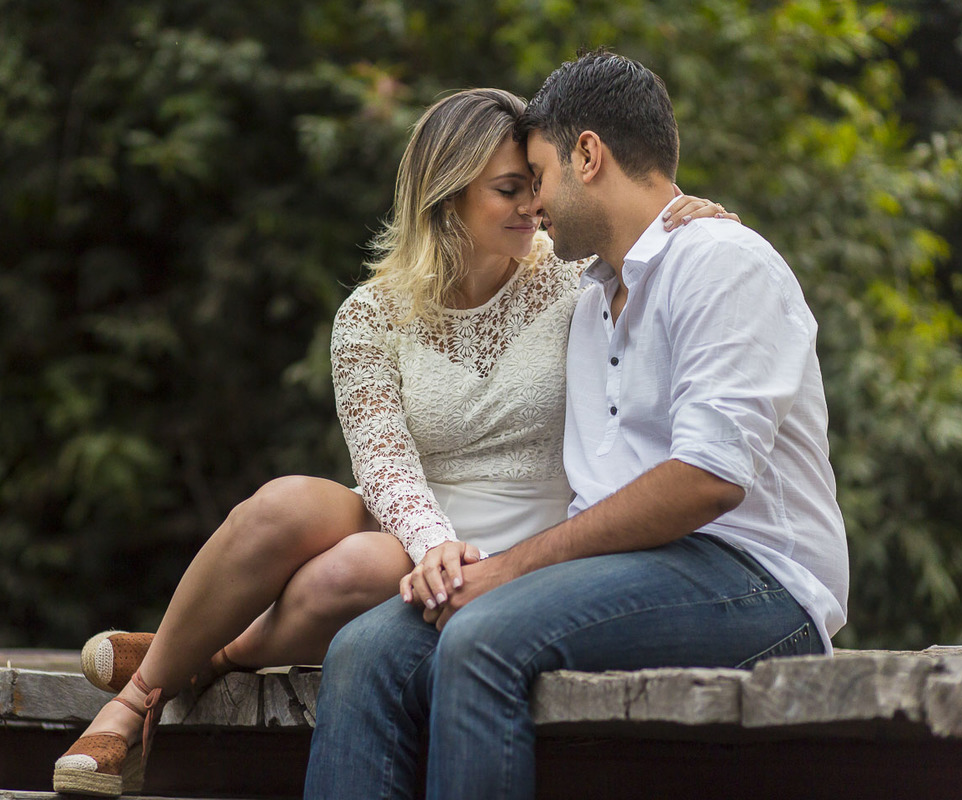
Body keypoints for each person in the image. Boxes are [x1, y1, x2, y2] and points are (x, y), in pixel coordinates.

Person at [51, 87, 731, 797]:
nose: (536, 205)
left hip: (524, 535)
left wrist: (687, 220)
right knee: (283, 505)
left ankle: (201, 652)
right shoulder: (369, 315)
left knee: (355, 569)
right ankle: (135, 705)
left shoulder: (573, 284)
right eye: (510, 189)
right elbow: (382, 460)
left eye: (537, 185)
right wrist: (432, 539)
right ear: (446, 196)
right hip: (414, 514)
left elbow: (645, 247)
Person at [303, 51, 850, 800]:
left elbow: (708, 481)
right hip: (612, 574)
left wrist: (506, 571)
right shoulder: (585, 295)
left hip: (755, 583)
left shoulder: (722, 263)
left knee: (483, 635)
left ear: (587, 155)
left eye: (539, 175)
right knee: (366, 649)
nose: (533, 203)